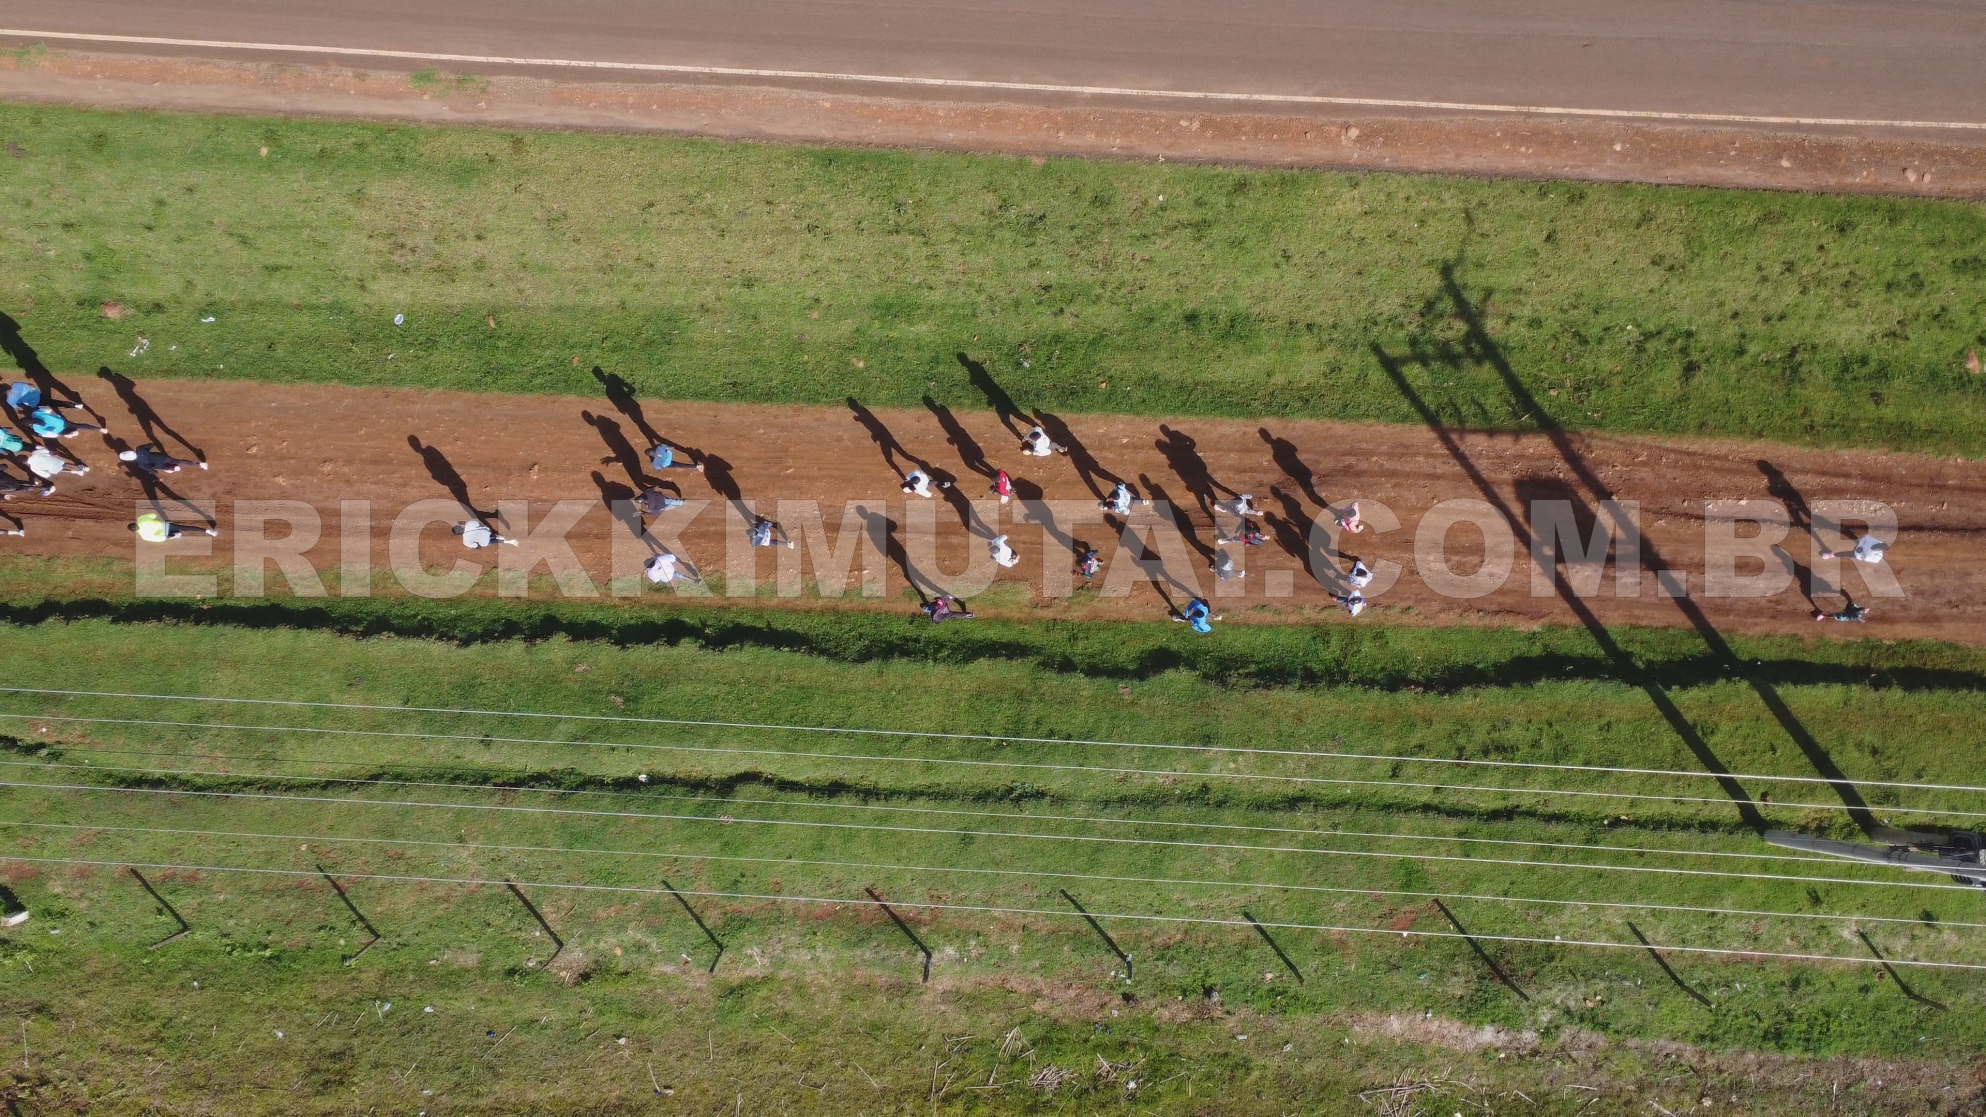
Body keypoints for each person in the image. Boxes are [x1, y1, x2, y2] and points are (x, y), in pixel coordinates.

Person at [119, 443, 206, 476]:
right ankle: (199, 464)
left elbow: (154, 472)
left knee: (167, 469)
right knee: (179, 461)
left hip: (160, 465)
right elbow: (152, 445)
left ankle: (173, 468)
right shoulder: (139, 448)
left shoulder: (140, 464)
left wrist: (151, 473)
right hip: (162, 457)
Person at [130, 512, 218, 541]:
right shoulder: (141, 519)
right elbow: (153, 515)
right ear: (135, 523)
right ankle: (209, 532)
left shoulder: (144, 537)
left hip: (165, 535)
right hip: (167, 526)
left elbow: (160, 539)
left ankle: (175, 535)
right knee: (185, 528)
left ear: (135, 531)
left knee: (171, 536)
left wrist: (166, 537)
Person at [29, 407, 103, 440]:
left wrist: (56, 436)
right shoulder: (35, 413)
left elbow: (52, 435)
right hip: (62, 421)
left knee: (66, 433)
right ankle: (99, 429)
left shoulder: (36, 428)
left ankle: (71, 433)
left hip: (60, 430)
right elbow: (48, 410)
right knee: (79, 425)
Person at [1822, 535, 1890, 564]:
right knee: (1857, 541)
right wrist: (1861, 545)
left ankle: (1832, 555)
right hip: (1860, 545)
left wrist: (1861, 553)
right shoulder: (1876, 542)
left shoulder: (1877, 557)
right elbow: (1866, 538)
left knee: (1846, 554)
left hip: (1857, 554)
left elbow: (1865, 558)